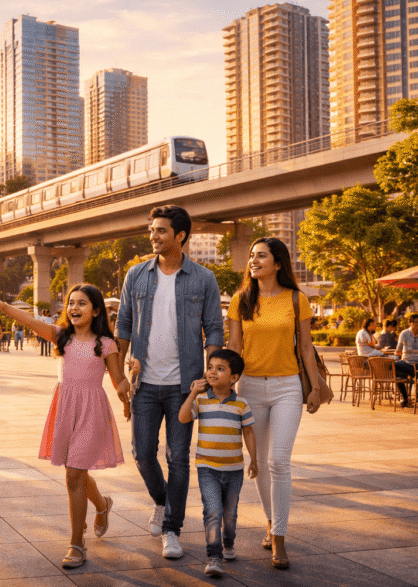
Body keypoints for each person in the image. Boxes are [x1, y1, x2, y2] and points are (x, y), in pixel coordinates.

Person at [0, 285, 131, 570]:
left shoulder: (106, 344)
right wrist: (4, 307)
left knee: (75, 473)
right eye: (71, 303)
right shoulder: (60, 336)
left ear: (96, 310)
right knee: (76, 471)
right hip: (65, 409)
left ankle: (76, 543)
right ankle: (102, 505)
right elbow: (30, 321)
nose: (74, 308)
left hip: (91, 412)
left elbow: (117, 380)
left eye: (82, 303)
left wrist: (128, 387)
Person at [116, 205, 224, 559]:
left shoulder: (203, 278)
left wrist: (210, 375)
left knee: (179, 459)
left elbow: (214, 330)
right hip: (144, 384)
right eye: (152, 230)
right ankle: (162, 502)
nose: (153, 236)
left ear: (181, 235)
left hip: (185, 387)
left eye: (161, 231)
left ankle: (172, 529)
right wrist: (118, 377)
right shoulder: (136, 275)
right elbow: (124, 329)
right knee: (143, 454)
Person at [227, 237, 324, 570]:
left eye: (261, 256)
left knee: (279, 460)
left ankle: (279, 539)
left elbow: (306, 348)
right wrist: (221, 385)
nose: (254, 260)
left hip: (287, 388)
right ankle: (271, 522)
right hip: (250, 388)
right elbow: (235, 347)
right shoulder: (241, 301)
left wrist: (313, 386)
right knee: (259, 462)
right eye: (251, 255)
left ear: (278, 263)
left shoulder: (297, 299)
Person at [178, 349, 257, 578]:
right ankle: (214, 556)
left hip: (234, 470)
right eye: (210, 367)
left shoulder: (241, 404)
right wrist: (193, 393)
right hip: (207, 468)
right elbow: (183, 417)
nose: (212, 372)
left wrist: (254, 459)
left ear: (234, 378)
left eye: (220, 369)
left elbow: (249, 433)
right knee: (212, 511)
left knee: (229, 514)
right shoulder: (202, 400)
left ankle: (228, 542)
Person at [396, 314, 418, 406]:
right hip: (406, 362)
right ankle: (405, 398)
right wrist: (400, 353)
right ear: (411, 323)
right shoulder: (404, 334)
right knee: (394, 366)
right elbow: (398, 350)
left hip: (417, 363)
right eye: (417, 322)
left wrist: (413, 351)